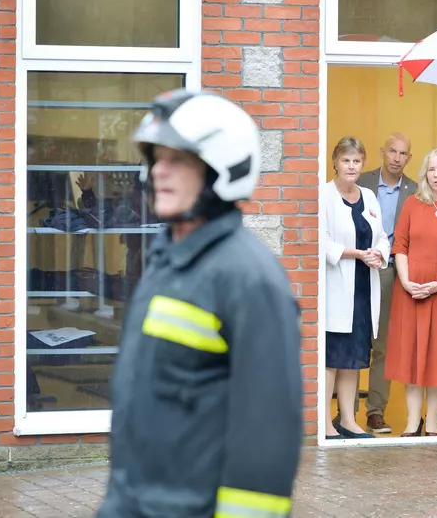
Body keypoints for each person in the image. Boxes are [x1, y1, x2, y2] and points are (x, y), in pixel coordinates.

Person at [96, 89, 304, 518]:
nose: (159, 171)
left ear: (220, 168)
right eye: (156, 158)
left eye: (178, 159)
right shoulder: (164, 259)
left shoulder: (249, 277)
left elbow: (266, 435)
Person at [385, 148, 437, 437]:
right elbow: (400, 246)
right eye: (432, 169)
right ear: (425, 173)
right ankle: (412, 421)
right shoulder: (412, 203)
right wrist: (407, 282)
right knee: (412, 354)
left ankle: (432, 419)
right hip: (411, 289)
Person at [345, 132, 417, 434]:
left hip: (392, 271)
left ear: (408, 158)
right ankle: (344, 413)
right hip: (356, 266)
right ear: (381, 152)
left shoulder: (415, 190)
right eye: (392, 151)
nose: (397, 158)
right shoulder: (361, 182)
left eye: (403, 153)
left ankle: (375, 410)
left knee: (382, 343)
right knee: (350, 338)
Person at [323, 136, 390, 439]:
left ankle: (348, 420)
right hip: (338, 286)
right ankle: (324, 422)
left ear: (363, 164)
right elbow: (322, 242)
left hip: (363, 286)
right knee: (332, 358)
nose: (351, 166)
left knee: (353, 358)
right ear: (336, 162)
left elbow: (382, 236)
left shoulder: (369, 196)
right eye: (346, 160)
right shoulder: (324, 196)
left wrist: (378, 253)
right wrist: (356, 254)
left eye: (356, 161)